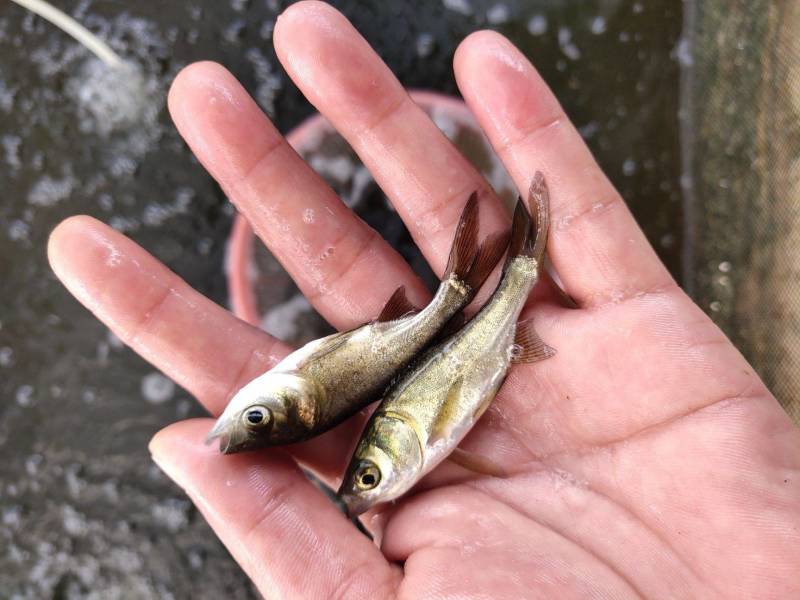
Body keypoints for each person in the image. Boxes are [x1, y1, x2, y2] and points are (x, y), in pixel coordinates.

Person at [47, 2, 799, 598]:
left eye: (368, 477)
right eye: (370, 480)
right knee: (459, 288)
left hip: (441, 358)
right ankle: (491, 281)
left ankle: (498, 277)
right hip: (445, 355)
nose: (368, 489)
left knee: (461, 283)